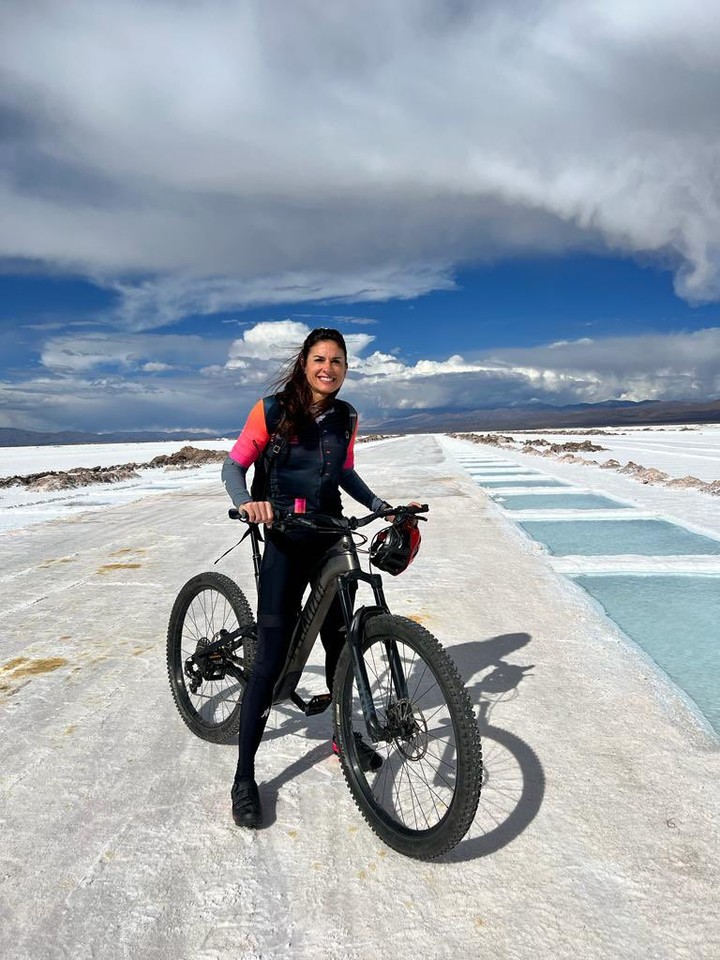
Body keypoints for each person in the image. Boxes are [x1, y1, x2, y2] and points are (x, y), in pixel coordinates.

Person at [221, 328, 390, 828]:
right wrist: (246, 503)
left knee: (341, 642)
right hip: (284, 536)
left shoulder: (347, 417)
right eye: (320, 359)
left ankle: (343, 734)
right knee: (271, 656)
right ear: (305, 362)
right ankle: (244, 776)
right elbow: (233, 466)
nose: (329, 369)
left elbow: (344, 474)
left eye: (337, 361)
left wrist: (380, 506)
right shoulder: (271, 410)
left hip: (330, 532)